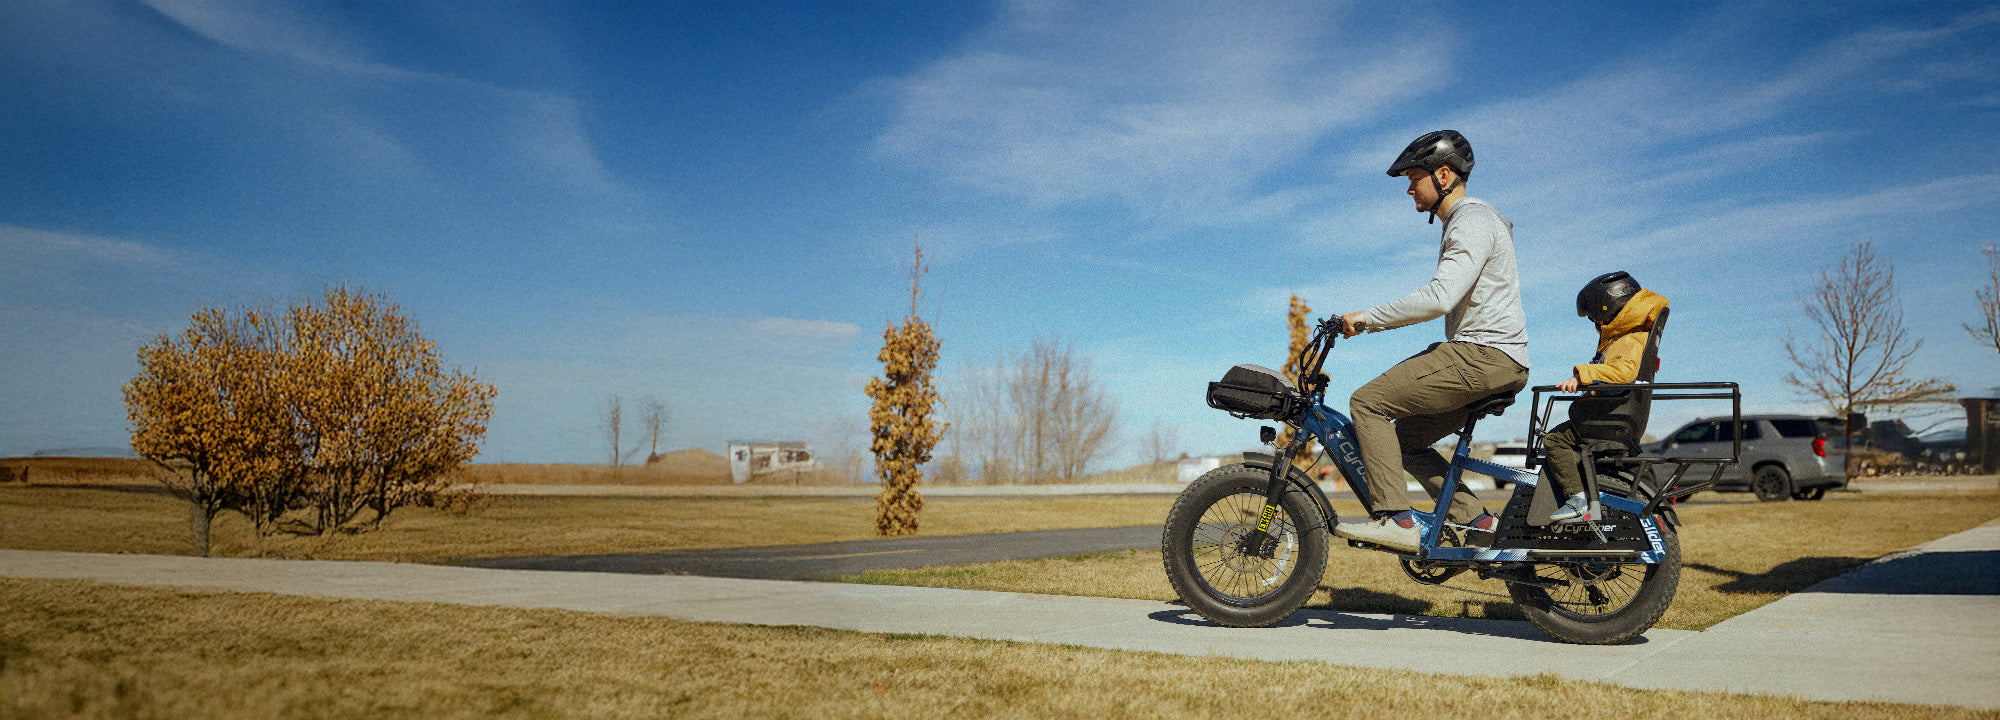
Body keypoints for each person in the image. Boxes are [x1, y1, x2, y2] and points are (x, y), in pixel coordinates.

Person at [1331, 130, 1530, 552]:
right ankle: (1477, 521)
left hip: (1482, 355)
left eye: (1413, 178)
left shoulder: (1471, 219)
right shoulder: (1475, 222)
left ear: (1443, 175)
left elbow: (1440, 297)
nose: (1409, 189)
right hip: (1498, 359)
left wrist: (1366, 320)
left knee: (1367, 403)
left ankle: (1395, 520)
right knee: (1404, 441)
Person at [1542, 271, 1669, 522]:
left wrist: (1583, 376)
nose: (1595, 323)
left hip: (1608, 416)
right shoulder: (1631, 335)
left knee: (1555, 440)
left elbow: (1624, 372)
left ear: (1608, 309)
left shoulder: (1629, 339)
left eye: (1594, 318)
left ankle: (1577, 500)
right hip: (1616, 413)